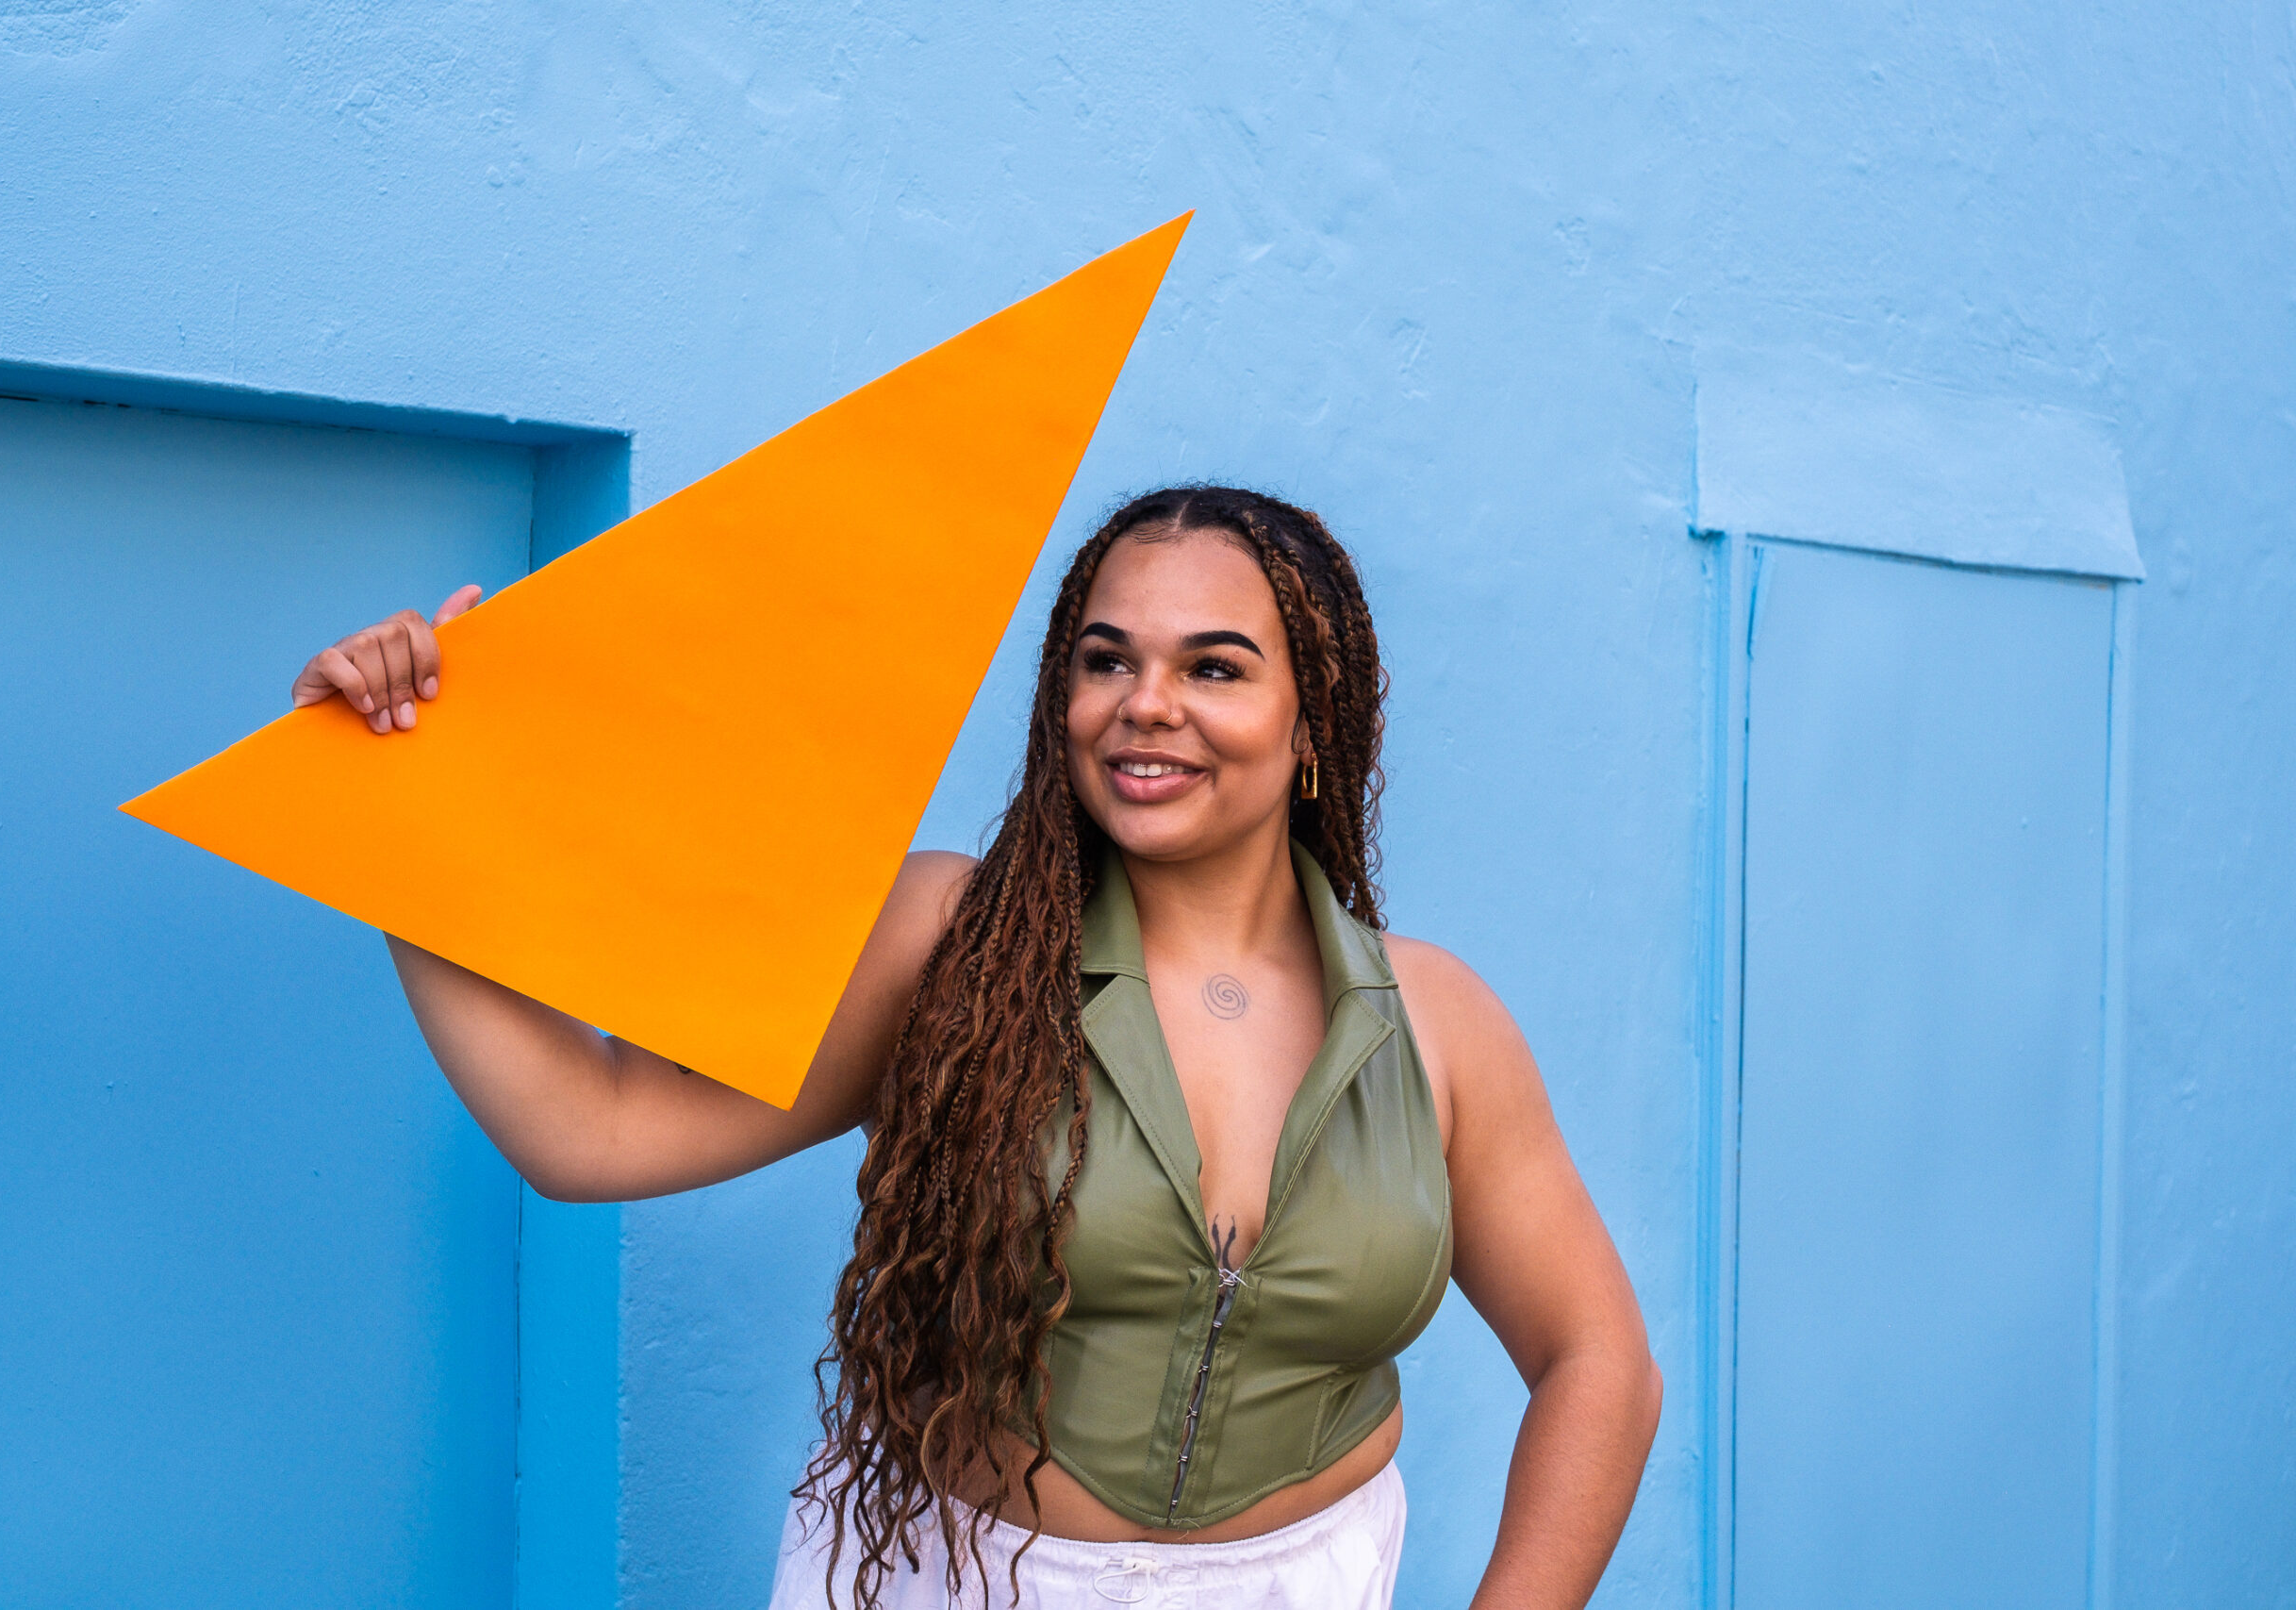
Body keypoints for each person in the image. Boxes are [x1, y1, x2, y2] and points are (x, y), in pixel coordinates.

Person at [292, 486, 1661, 1609]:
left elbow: (1599, 1359)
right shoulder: (952, 940)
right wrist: (398, 818)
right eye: (1105, 658)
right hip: (952, 1580)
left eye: (1215, 667)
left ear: (1315, 723)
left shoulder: (1435, 1023)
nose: (1144, 702)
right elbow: (587, 1130)